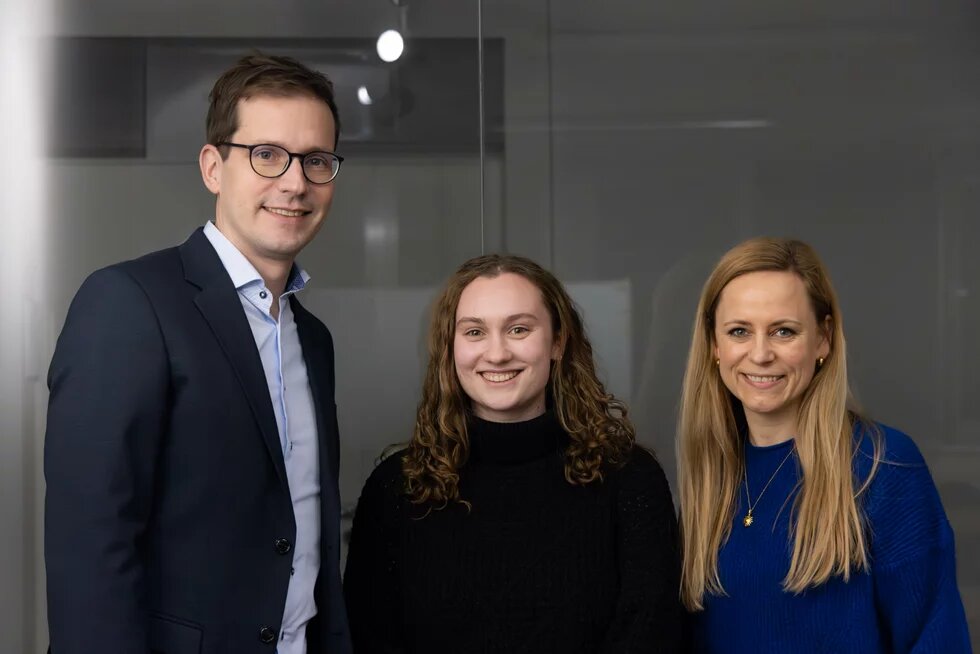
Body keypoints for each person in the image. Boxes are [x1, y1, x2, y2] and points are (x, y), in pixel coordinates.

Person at [45, 52, 351, 654]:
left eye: (317, 161)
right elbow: (91, 545)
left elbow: (305, 534)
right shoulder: (129, 302)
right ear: (214, 166)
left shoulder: (313, 338)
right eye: (267, 155)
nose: (295, 182)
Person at [343, 254, 683, 653]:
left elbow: (649, 634)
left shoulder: (629, 479)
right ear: (450, 349)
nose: (497, 353)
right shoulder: (396, 489)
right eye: (474, 332)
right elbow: (369, 639)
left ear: (557, 342)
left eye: (518, 329)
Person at [677, 237, 971, 653]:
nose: (760, 354)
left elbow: (936, 639)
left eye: (784, 331)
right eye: (739, 331)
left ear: (823, 339)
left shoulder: (881, 465)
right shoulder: (712, 474)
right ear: (714, 345)